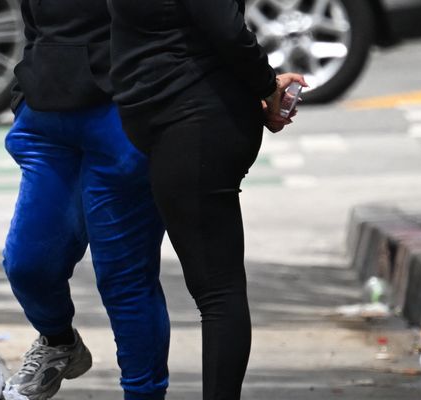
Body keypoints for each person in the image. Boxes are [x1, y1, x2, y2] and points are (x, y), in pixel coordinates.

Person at [108, 1, 306, 398]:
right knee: (212, 289)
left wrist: (268, 89)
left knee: (217, 291)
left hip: (196, 123)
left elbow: (225, 28)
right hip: (176, 118)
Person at [0, 1, 170, 399]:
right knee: (27, 265)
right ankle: (59, 343)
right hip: (47, 117)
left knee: (124, 280)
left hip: (123, 117)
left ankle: (144, 394)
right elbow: (34, 23)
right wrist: (23, 98)